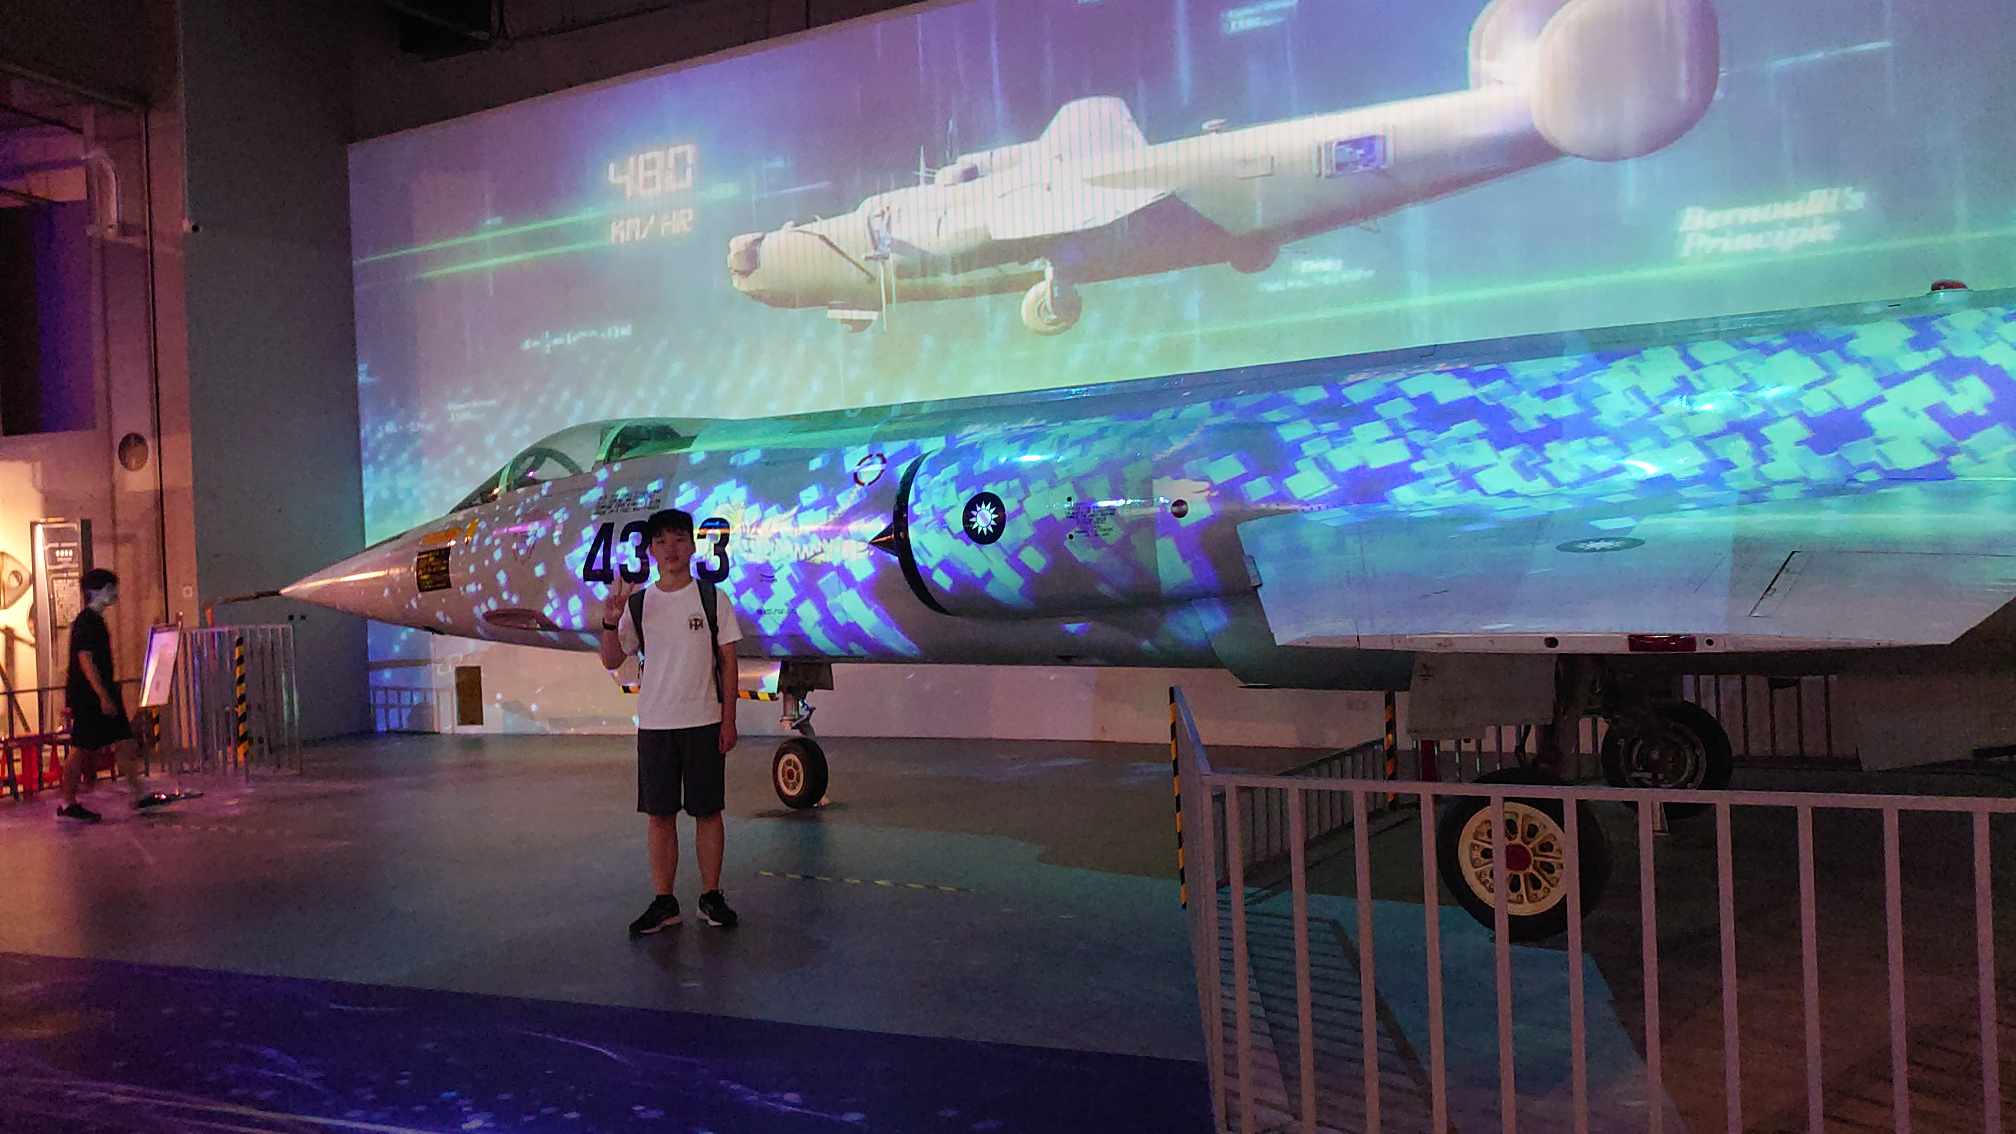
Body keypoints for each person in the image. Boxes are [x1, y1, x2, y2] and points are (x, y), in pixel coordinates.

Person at [598, 508, 744, 934]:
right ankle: (665, 902)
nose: (671, 548)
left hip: (704, 720)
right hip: (656, 725)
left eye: (679, 539)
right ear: (651, 550)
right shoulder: (640, 604)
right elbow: (611, 659)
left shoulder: (713, 598)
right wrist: (610, 620)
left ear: (692, 545)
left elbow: (729, 662)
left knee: (708, 812)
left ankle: (710, 896)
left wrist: (729, 720)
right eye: (661, 541)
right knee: (659, 815)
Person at [57, 568, 173, 821]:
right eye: (110, 588)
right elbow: (85, 660)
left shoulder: (96, 621)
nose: (115, 593)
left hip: (103, 691)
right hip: (90, 696)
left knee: (124, 740)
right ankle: (67, 803)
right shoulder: (86, 622)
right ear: (95, 592)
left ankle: (139, 794)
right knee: (81, 747)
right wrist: (102, 696)